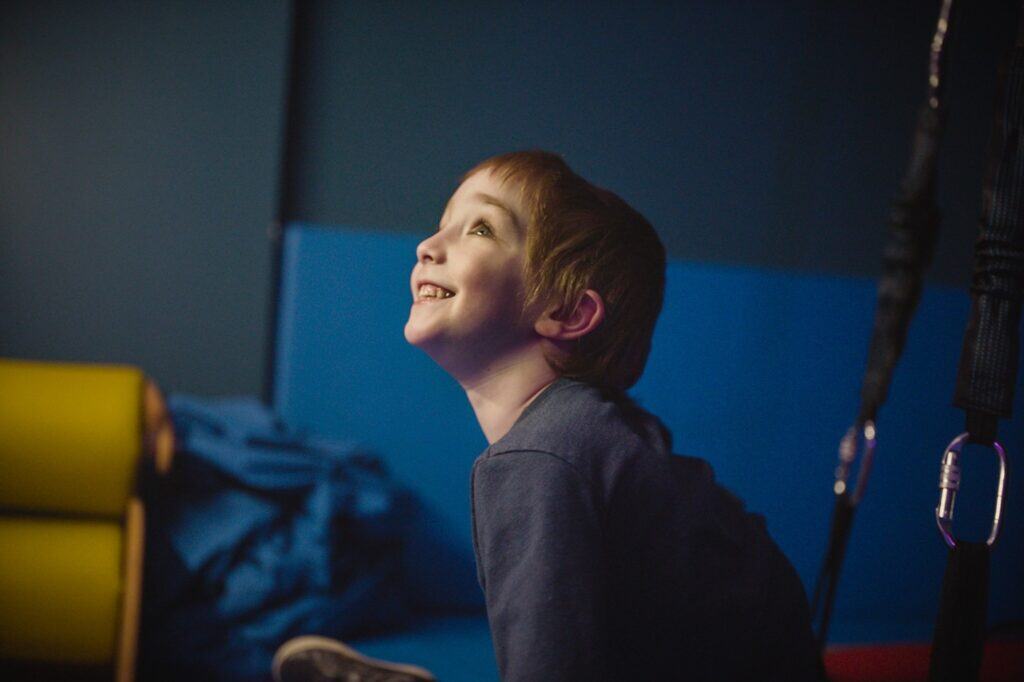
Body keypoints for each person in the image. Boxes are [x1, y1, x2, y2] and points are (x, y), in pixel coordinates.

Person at [274, 150, 823, 681]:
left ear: (565, 311)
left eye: (480, 229)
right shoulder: (591, 431)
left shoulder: (541, 460)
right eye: (442, 224)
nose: (427, 246)